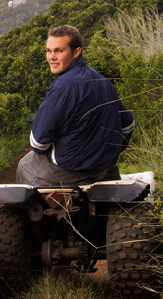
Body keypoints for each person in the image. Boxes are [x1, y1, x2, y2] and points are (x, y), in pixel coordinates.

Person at [16, 25, 135, 186]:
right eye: (48, 51)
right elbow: (128, 124)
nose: (51, 57)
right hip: (105, 169)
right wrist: (109, 151)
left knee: (25, 164)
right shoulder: (102, 81)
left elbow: (38, 143)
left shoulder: (62, 87)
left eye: (59, 51)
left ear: (76, 52)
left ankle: (32, 210)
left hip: (69, 171)